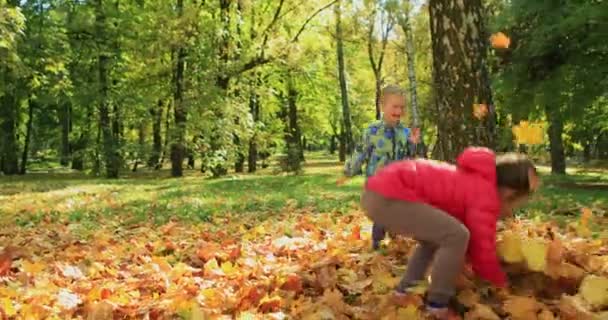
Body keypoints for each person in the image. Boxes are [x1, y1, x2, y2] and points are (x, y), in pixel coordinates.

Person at [360, 147, 539, 319]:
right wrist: (499, 281)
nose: (511, 210)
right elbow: (481, 247)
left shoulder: (474, 181)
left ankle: (405, 291)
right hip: (391, 196)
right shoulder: (486, 195)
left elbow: (471, 244)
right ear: (509, 192)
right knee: (456, 236)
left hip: (379, 192)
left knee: (435, 239)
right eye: (516, 203)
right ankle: (437, 304)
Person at [343, 84, 420, 250]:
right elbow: (361, 152)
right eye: (395, 106)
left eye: (401, 107)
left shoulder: (405, 132)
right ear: (383, 106)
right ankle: (377, 242)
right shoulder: (372, 131)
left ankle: (394, 236)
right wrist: (349, 170)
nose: (398, 111)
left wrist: (413, 144)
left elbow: (409, 157)